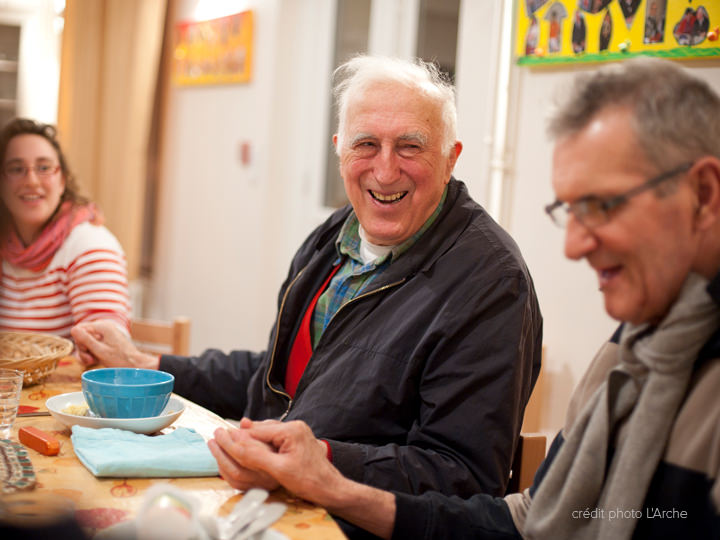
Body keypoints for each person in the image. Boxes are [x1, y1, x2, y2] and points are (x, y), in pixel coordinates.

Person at [213, 57, 720, 539]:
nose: (573, 246)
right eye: (570, 210)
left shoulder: (492, 280)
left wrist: (327, 468)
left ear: (703, 194)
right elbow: (535, 521)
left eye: (603, 205)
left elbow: (472, 482)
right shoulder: (629, 352)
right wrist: (330, 485)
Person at [73, 56, 543, 507]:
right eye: (366, 144)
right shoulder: (335, 237)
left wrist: (321, 463)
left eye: (410, 146)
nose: (384, 170)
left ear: (450, 158)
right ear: (340, 150)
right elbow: (279, 378)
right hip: (269, 499)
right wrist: (146, 362)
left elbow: (462, 475)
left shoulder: (491, 281)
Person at [0, 118, 130, 337]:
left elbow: (105, 347)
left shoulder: (90, 245)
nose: (31, 180)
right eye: (16, 169)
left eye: (44, 168)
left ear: (62, 181)